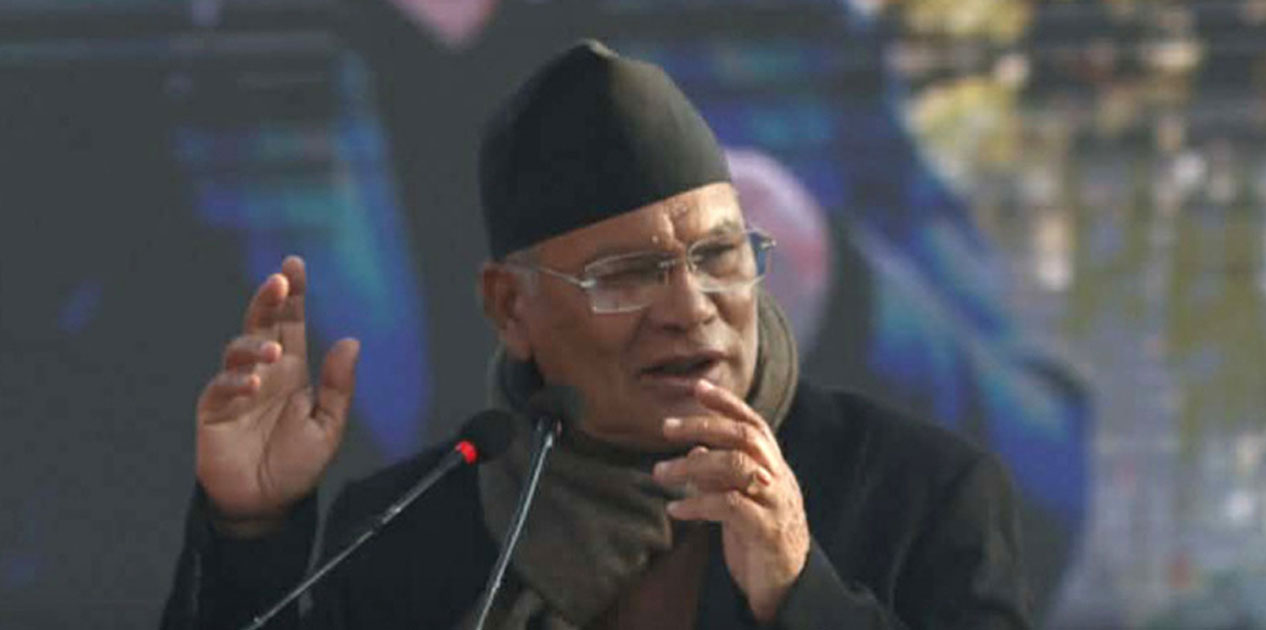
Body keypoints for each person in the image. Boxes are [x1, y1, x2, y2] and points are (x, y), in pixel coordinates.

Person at [161, 40, 1032, 630]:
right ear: (511, 309)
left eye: (719, 256)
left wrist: (799, 594)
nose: (689, 307)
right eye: (626, 276)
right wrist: (249, 530)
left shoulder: (918, 498)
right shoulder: (410, 531)